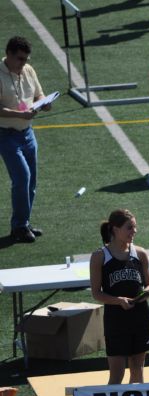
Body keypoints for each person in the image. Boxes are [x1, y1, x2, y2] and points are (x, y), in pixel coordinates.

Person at [90, 210, 149, 385]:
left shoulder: (140, 254)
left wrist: (148, 292)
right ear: (115, 229)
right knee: (117, 374)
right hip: (116, 321)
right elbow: (96, 293)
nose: (134, 231)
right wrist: (118, 301)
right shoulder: (99, 256)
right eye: (129, 227)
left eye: (135, 227)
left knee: (137, 370)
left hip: (141, 318)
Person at [1, 36, 51, 244]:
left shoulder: (28, 70)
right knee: (22, 177)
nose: (23, 63)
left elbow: (39, 94)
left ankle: (24, 222)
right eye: (20, 59)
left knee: (31, 181)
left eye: (26, 59)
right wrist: (19, 115)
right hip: (5, 134)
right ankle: (19, 227)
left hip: (27, 133)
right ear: (9, 54)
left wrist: (44, 103)